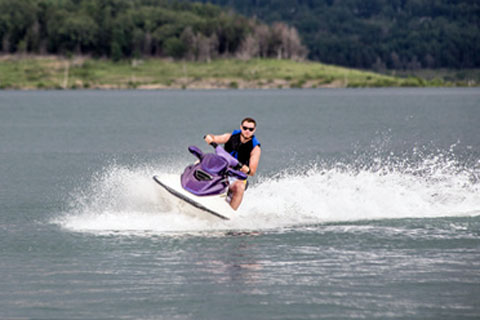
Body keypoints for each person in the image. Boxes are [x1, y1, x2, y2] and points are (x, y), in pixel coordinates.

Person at [204, 117, 261, 210]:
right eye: (245, 128)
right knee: (201, 161)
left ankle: (230, 213)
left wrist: (246, 169)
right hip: (222, 169)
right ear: (241, 127)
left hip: (237, 176)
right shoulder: (230, 137)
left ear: (254, 130)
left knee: (240, 187)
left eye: (250, 129)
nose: (247, 131)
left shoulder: (255, 148)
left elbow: (252, 171)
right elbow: (216, 138)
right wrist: (210, 138)